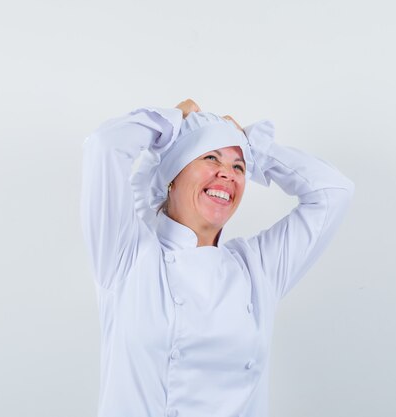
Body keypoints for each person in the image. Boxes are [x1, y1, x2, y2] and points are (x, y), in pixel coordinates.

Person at [80, 98, 355, 417]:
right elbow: (104, 146)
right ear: (173, 177)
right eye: (211, 157)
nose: (228, 174)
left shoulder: (257, 268)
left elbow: (334, 192)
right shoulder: (126, 255)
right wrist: (167, 124)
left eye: (239, 166)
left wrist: (257, 150)